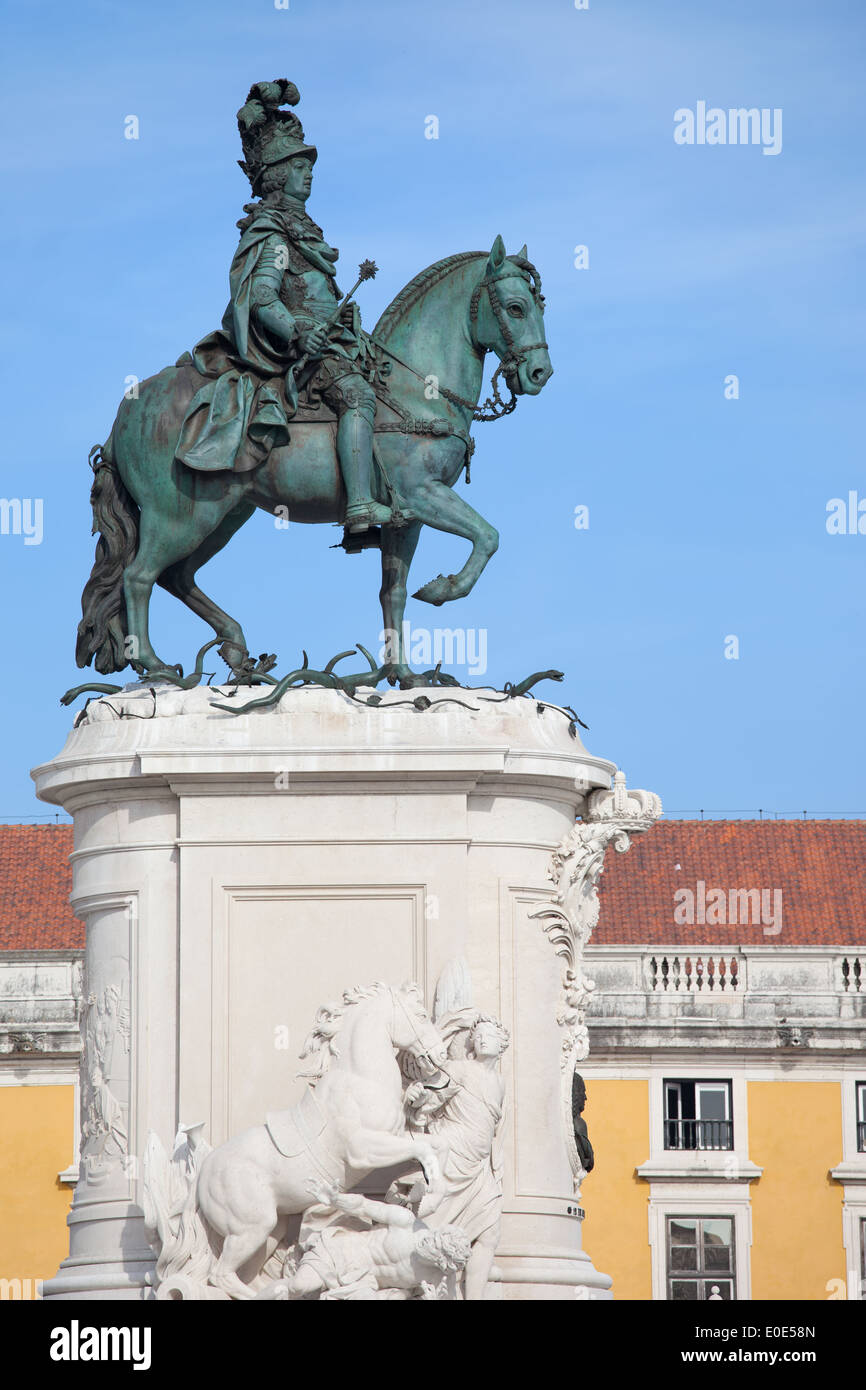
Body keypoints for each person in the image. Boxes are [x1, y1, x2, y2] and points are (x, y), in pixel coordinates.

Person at [177, 80, 391, 535]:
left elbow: (312, 293)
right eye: (298, 165)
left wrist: (343, 316)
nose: (308, 172)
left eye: (307, 165)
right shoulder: (274, 235)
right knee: (356, 395)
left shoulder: (304, 233)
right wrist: (297, 330)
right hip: (302, 350)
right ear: (276, 174)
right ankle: (358, 508)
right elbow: (260, 298)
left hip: (336, 342)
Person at [406, 1011, 510, 1301]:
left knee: (490, 1233)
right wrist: (417, 1100)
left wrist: (496, 1163)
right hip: (454, 1158)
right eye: (478, 1035)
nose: (483, 1039)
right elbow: (433, 1099)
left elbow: (497, 1128)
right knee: (431, 1225)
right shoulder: (460, 1070)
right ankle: (415, 1283)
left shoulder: (500, 1083)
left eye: (490, 1035)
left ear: (502, 1044)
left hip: (480, 1166)